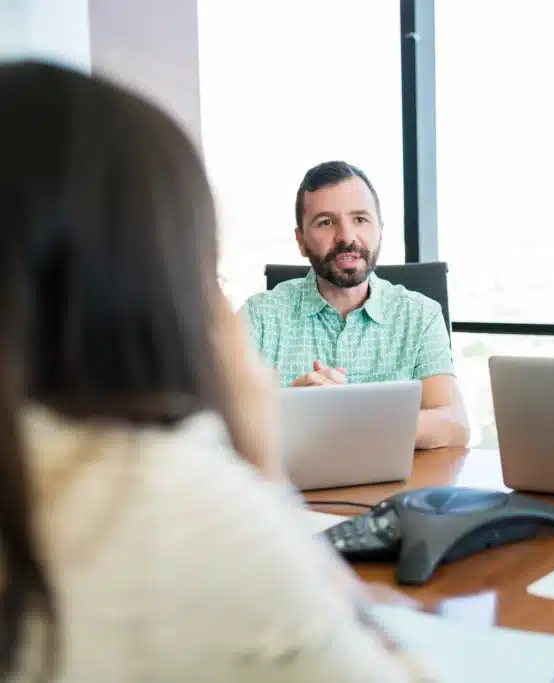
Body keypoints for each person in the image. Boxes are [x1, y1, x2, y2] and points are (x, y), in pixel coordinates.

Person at [0, 61, 432, 682]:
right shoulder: (187, 509)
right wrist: (262, 474)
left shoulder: (414, 312)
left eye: (361, 219)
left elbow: (453, 419)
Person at [241, 161, 469, 451]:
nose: (346, 237)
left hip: (398, 491)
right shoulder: (258, 317)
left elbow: (455, 426)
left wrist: (352, 422)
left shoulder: (420, 315)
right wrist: (291, 411)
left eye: (360, 219)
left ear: (380, 231)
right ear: (301, 241)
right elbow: (219, 425)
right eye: (326, 222)